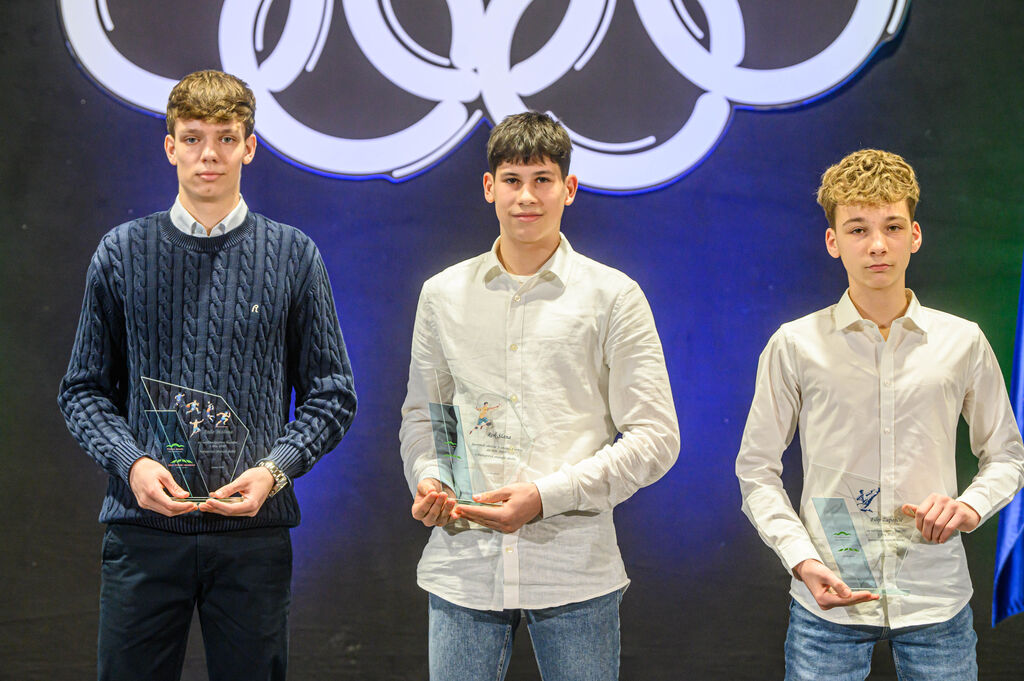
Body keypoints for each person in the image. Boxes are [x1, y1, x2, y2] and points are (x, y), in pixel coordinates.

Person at [57, 69, 356, 681]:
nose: (209, 154)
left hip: (253, 537)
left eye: (226, 138)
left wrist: (275, 472)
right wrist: (132, 464)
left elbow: (332, 395)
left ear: (250, 147)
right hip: (143, 532)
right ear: (170, 147)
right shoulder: (121, 252)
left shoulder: (293, 255)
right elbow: (83, 391)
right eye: (193, 138)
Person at [399, 111, 680, 680]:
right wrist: (432, 479)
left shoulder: (613, 296)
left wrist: (545, 496)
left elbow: (655, 438)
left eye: (542, 180)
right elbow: (429, 419)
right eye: (512, 179)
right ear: (489, 187)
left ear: (568, 188)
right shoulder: (442, 294)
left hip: (573, 568)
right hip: (464, 563)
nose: (526, 196)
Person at [735, 148, 1024, 679]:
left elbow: (1006, 455)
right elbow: (756, 471)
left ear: (915, 235)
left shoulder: (962, 341)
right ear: (833, 241)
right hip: (828, 599)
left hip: (936, 600)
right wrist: (801, 558)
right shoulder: (795, 345)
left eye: (892, 226)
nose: (877, 245)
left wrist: (970, 507)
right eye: (858, 229)